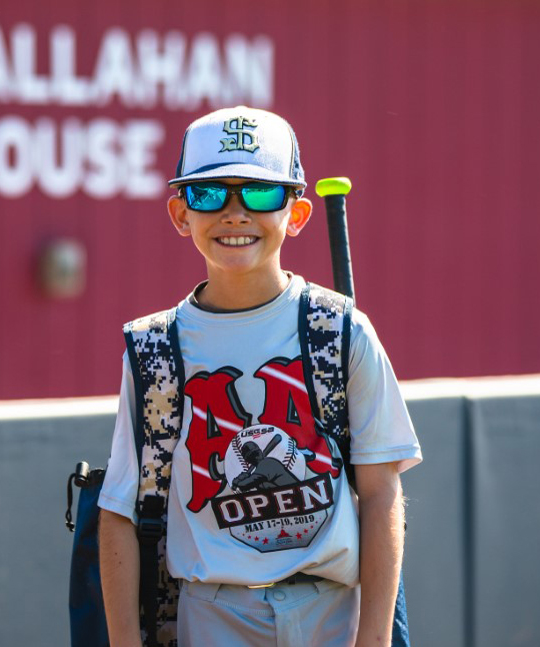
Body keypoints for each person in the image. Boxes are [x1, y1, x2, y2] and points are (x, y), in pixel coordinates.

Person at [98, 105, 422, 647]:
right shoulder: (153, 348)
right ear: (181, 214)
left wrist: (375, 640)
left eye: (260, 193)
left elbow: (382, 491)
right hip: (211, 614)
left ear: (295, 215)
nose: (235, 213)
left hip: (332, 611)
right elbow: (120, 513)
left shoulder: (340, 330)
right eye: (209, 194)